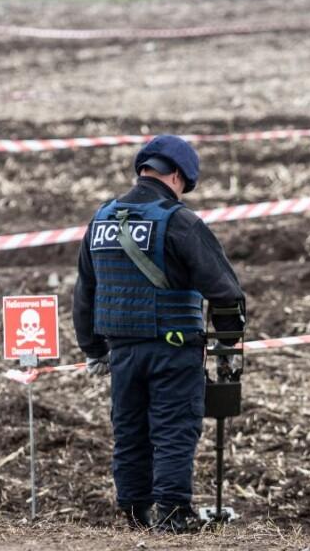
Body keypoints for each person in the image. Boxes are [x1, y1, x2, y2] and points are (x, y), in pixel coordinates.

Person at [73, 135, 246, 533]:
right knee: (173, 428)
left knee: (130, 430)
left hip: (122, 351)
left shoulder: (100, 220)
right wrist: (228, 341)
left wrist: (93, 349)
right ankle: (171, 513)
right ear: (177, 176)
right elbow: (225, 291)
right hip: (174, 348)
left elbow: (85, 290)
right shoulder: (180, 221)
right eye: (185, 184)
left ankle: (134, 513)